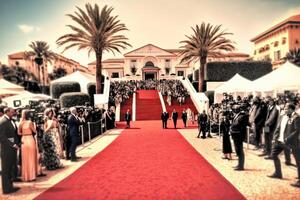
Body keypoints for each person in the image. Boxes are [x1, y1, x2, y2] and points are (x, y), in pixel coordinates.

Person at [268, 103, 300, 188]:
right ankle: (278, 173)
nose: (284, 110)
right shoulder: (282, 116)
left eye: (286, 108)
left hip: (291, 142)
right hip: (279, 141)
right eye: (285, 108)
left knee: (298, 161)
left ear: (291, 109)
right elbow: (278, 128)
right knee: (273, 155)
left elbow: (297, 131)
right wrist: (275, 138)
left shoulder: (296, 117)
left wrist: (288, 138)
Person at [0, 107, 20, 194]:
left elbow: (12, 134)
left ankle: (10, 186)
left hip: (11, 148)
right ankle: (7, 189)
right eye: (12, 112)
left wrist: (17, 143)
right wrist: (13, 144)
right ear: (7, 112)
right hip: (6, 149)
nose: (14, 113)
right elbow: (2, 137)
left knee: (10, 168)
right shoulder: (3, 121)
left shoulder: (9, 120)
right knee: (6, 169)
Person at [18, 110, 37, 182]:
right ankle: (32, 176)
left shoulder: (21, 123)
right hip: (30, 138)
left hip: (24, 140)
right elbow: (34, 131)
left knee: (25, 158)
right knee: (31, 157)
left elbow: (18, 133)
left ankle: (26, 176)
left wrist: (24, 134)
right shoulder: (30, 122)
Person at [230, 104, 249, 171]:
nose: (234, 110)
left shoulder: (242, 116)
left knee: (240, 151)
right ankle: (239, 164)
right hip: (235, 135)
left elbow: (241, 126)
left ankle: (241, 166)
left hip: (239, 135)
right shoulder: (237, 115)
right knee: (237, 150)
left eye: (236, 108)